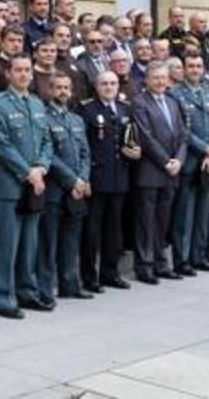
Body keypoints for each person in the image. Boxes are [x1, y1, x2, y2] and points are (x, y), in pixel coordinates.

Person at [0, 54, 52, 318]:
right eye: (18, 70)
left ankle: (28, 292)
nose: (24, 74)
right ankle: (3, 299)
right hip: (9, 185)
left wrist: (42, 168)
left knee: (30, 243)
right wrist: (28, 172)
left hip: (34, 182)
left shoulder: (37, 104)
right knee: (8, 244)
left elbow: (47, 141)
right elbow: (2, 145)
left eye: (27, 70)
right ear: (8, 74)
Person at [78, 72, 139, 293]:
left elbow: (131, 137)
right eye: (104, 83)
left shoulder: (125, 108)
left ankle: (110, 273)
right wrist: (84, 177)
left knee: (115, 229)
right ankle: (89, 277)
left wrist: (135, 150)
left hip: (119, 176)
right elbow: (83, 145)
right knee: (92, 231)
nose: (109, 87)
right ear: (96, 86)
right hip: (96, 177)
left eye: (113, 83)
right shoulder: (87, 109)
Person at [130, 62, 187, 285]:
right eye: (156, 78)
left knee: (163, 221)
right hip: (150, 170)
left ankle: (161, 263)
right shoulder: (139, 102)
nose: (161, 82)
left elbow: (183, 134)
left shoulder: (173, 102)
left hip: (171, 171)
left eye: (164, 78)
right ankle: (144, 266)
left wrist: (179, 160)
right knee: (146, 222)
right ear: (146, 80)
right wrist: (166, 161)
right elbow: (145, 137)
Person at [37, 74, 91, 304]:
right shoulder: (43, 118)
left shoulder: (77, 120)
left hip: (76, 190)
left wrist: (83, 178)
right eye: (58, 87)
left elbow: (86, 153)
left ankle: (70, 284)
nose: (63, 91)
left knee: (71, 240)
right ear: (50, 90)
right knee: (48, 243)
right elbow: (51, 157)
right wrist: (73, 180)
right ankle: (46, 290)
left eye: (67, 87)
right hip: (54, 190)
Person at [169, 54, 209, 276]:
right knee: (185, 214)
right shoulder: (175, 94)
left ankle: (198, 256)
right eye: (190, 66)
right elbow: (182, 130)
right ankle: (182, 260)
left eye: (199, 65)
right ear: (183, 69)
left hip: (208, 162)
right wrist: (205, 148)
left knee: (203, 212)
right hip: (189, 160)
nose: (195, 69)